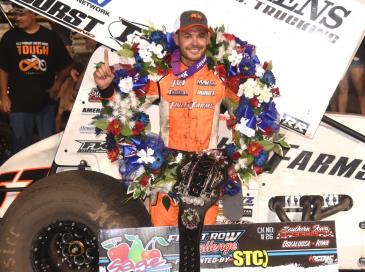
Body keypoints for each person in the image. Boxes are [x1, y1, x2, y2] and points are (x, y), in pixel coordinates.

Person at [94, 10, 238, 226]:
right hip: (168, 174)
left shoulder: (222, 79)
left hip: (207, 173)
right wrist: (107, 90)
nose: (194, 42)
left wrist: (235, 161)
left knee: (201, 245)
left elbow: (246, 124)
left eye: (200, 35)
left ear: (208, 39)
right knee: (163, 243)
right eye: (188, 36)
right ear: (177, 38)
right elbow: (127, 110)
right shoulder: (162, 77)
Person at [0, 5, 73, 153]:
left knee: (48, 148)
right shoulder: (9, 37)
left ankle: (49, 177)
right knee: (20, 148)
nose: (17, 19)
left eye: (22, 15)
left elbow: (67, 65)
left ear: (33, 13)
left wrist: (57, 85)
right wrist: (4, 96)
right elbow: (3, 69)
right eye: (15, 15)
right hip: (18, 103)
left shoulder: (50, 37)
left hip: (45, 103)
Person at [330, 35, 365, 115]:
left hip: (356, 54)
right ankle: (341, 118)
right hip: (341, 55)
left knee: (361, 90)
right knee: (343, 89)